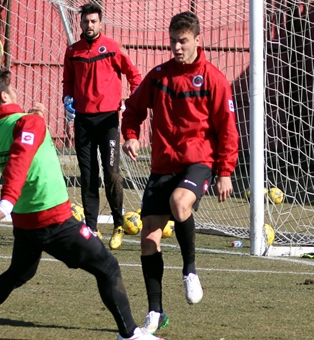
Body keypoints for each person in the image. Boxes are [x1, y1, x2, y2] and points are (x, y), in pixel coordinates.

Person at [0, 69, 163, 340]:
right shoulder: (28, 124)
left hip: (26, 223)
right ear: (4, 95)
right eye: (11, 89)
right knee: (107, 266)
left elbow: (19, 135)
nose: (15, 91)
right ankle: (130, 335)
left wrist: (33, 119)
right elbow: (19, 160)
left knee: (17, 274)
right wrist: (4, 205)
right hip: (53, 220)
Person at [121, 11, 239, 334]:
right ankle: (155, 313)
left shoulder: (213, 78)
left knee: (180, 203)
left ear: (197, 41)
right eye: (172, 41)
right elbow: (132, 110)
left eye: (183, 41)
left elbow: (228, 129)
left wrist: (225, 171)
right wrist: (130, 135)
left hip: (197, 162)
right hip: (161, 166)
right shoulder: (158, 76)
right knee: (148, 239)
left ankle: (190, 271)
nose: (176, 47)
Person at [62, 3, 142, 250]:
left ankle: (118, 224)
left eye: (94, 21)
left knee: (111, 173)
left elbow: (135, 76)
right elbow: (68, 82)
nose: (89, 25)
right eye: (86, 21)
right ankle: (91, 227)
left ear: (100, 23)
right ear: (81, 23)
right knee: (87, 176)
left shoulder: (112, 48)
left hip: (108, 121)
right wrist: (67, 105)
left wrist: (131, 103)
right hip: (83, 122)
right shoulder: (72, 51)